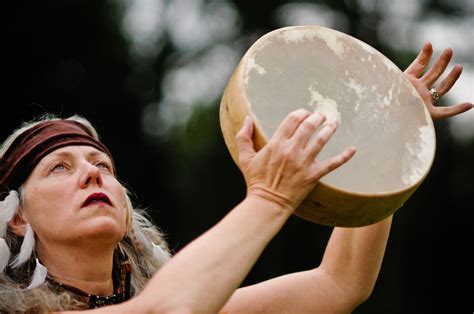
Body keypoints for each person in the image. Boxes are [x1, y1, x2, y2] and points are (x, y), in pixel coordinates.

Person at [0, 42, 472, 313]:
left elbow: (340, 282)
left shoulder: (196, 301)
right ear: (17, 217)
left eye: (103, 166)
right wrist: (269, 195)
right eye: (60, 167)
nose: (91, 175)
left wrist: (385, 141)